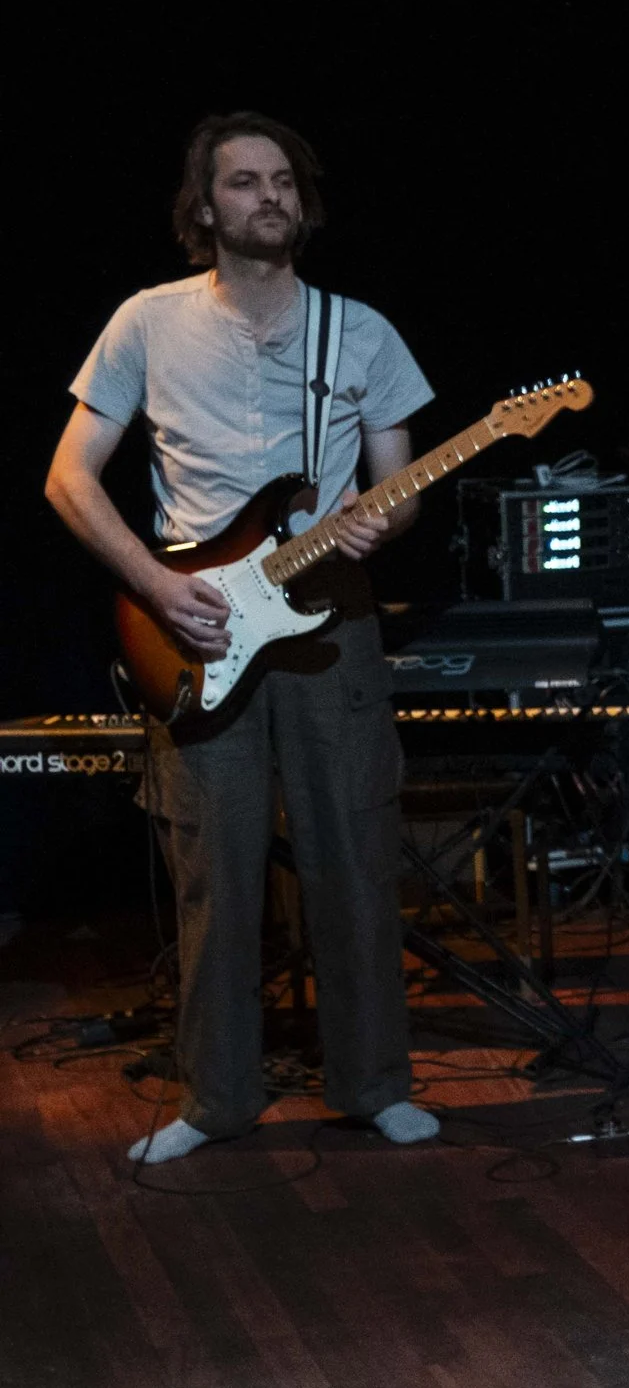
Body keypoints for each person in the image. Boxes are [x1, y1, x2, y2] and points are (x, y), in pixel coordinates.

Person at [44, 112, 441, 1164]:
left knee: (352, 854)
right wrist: (154, 589)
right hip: (197, 621)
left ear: (302, 203)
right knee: (210, 870)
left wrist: (380, 512)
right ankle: (216, 1098)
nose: (267, 196)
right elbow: (67, 476)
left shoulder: (359, 330)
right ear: (205, 206)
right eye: (243, 182)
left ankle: (373, 1084)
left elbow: (394, 484)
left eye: (282, 182)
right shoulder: (145, 321)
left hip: (328, 619)